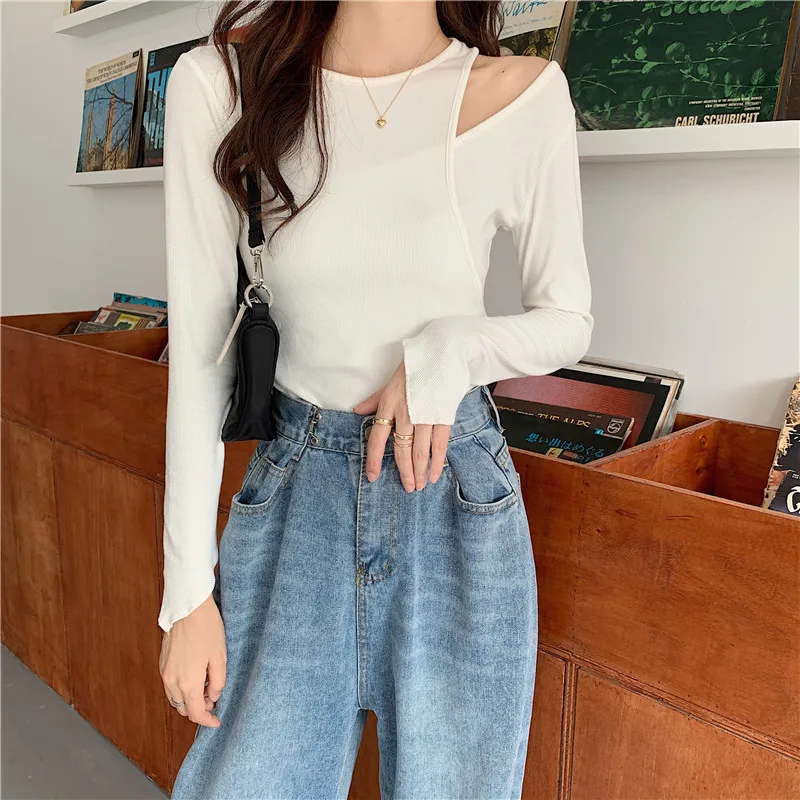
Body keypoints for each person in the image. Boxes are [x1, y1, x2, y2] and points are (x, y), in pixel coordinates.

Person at [159, 1, 593, 797]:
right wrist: (185, 597)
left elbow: (568, 318)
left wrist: (447, 351)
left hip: (455, 496)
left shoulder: (524, 93)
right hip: (298, 495)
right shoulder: (223, 83)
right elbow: (199, 352)